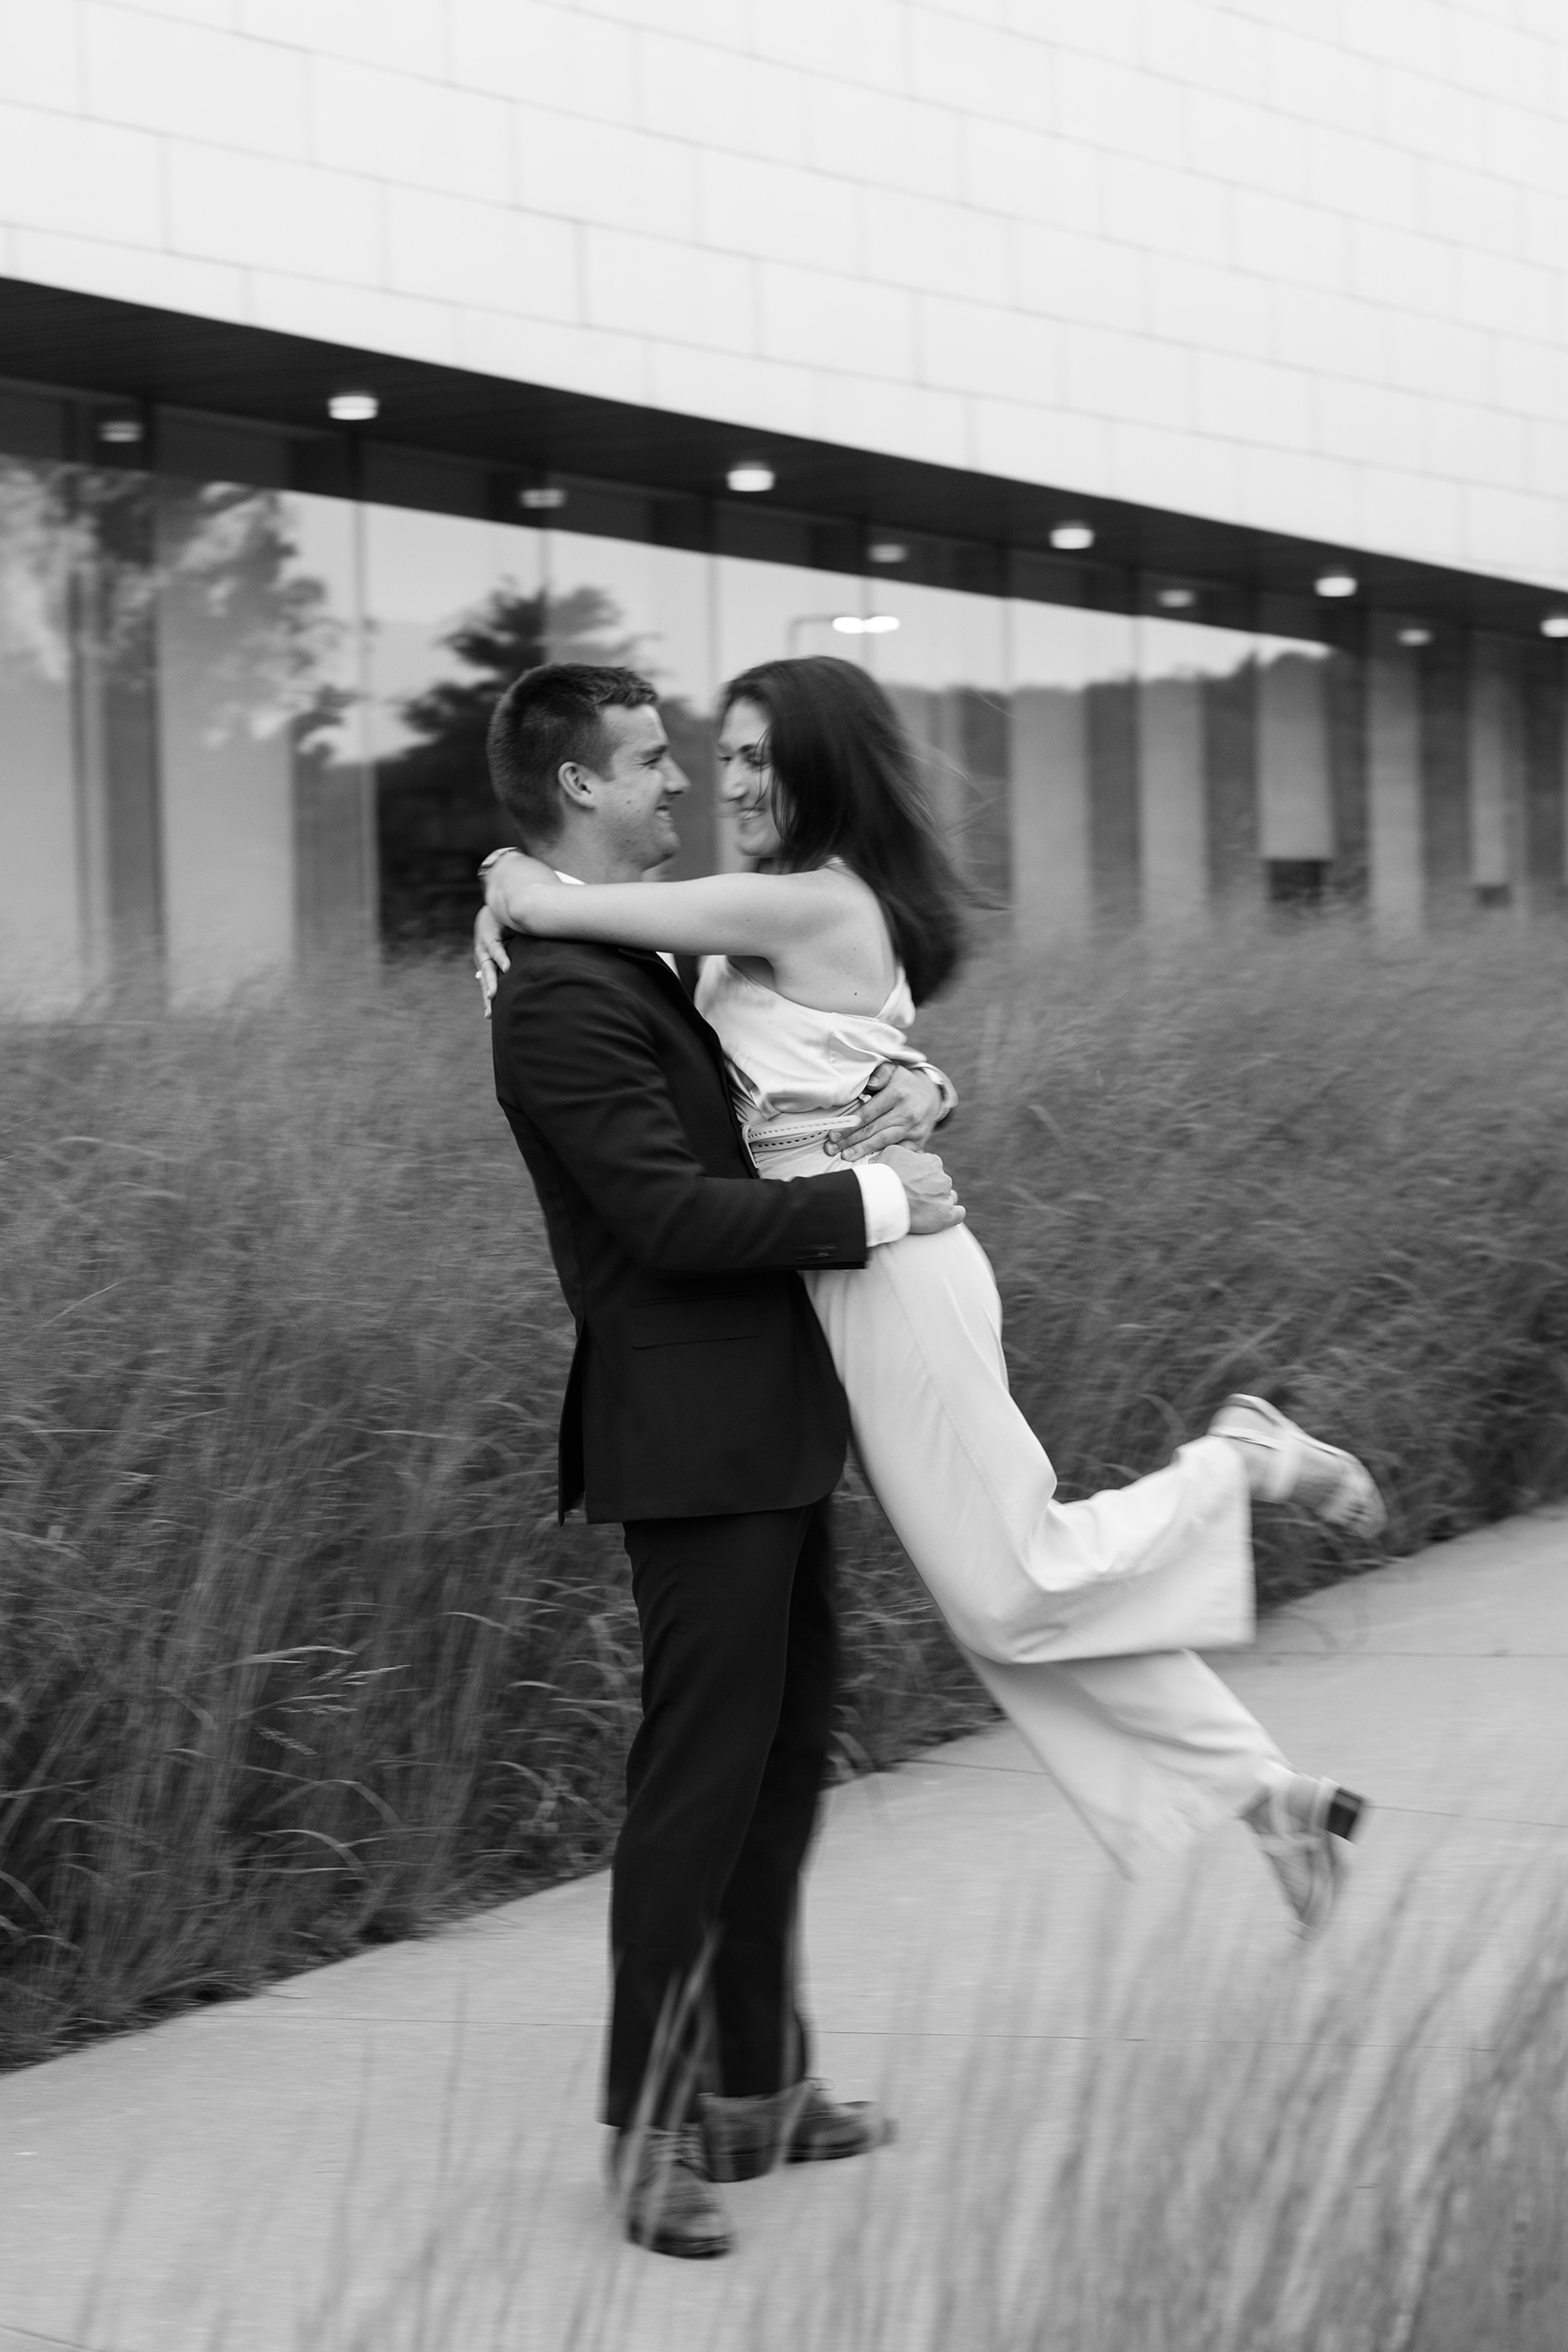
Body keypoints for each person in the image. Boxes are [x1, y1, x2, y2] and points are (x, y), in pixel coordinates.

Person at [475, 655, 1385, 1960]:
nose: (723, 782)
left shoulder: (808, 900)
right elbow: (765, 1031)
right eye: (714, 758)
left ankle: (1241, 1461)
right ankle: (1269, 1797)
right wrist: (920, 1081)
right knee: (1004, 1601)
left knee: (1018, 1580)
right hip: (847, 1270)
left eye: (749, 757)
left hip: (891, 1268)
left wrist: (507, 886)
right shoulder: (782, 912)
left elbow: (583, 911)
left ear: (820, 764)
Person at [481, 661, 965, 2263]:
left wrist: (892, 1106)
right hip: (690, 1440)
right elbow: (672, 1224)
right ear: (574, 790)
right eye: (645, 764)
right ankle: (647, 2130)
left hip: (774, 1418)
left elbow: (781, 1080)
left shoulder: (645, 956)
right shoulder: (556, 1001)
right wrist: (883, 1204)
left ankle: (758, 2088)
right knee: (695, 1790)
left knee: (778, 1768)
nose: (680, 783)